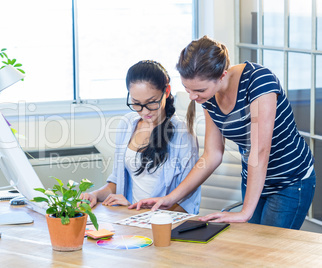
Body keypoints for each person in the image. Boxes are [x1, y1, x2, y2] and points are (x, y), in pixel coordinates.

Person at [130, 36, 316, 229]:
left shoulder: (259, 82)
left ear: (222, 75)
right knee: (252, 249)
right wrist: (171, 198)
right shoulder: (209, 97)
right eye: (187, 88)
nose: (193, 97)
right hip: (253, 179)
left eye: (199, 90)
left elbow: (259, 151)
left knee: (270, 253)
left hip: (290, 181)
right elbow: (212, 154)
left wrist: (245, 212)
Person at [80, 60, 201, 214]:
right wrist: (95, 194)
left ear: (167, 91)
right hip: (128, 217)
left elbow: (187, 202)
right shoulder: (127, 124)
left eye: (151, 102)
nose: (144, 111)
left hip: (161, 223)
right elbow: (117, 182)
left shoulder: (183, 135)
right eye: (136, 103)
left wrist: (137, 208)